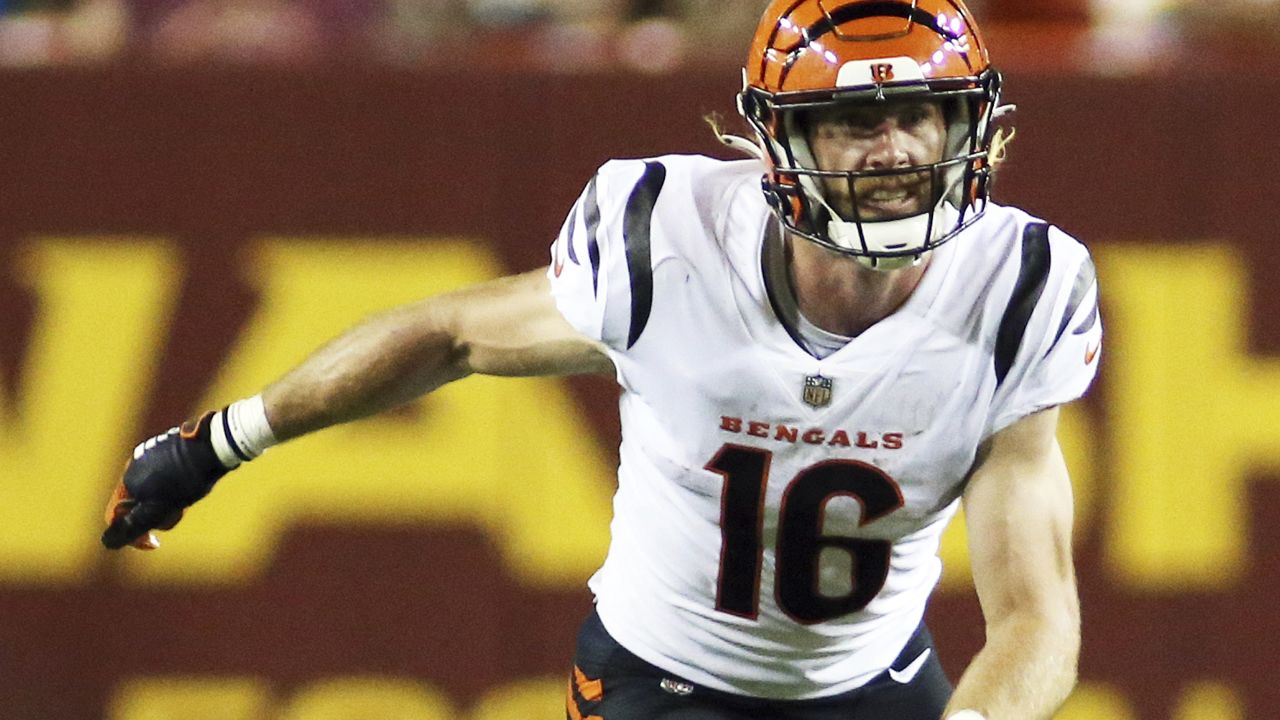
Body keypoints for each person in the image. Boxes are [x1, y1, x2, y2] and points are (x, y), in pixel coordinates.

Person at [102, 1, 1101, 718]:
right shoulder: (669, 243)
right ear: (781, 144)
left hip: (871, 683)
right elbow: (445, 333)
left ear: (966, 125)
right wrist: (217, 443)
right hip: (661, 681)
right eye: (851, 121)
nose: (890, 151)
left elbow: (1035, 613)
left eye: (915, 115)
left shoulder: (1019, 291)